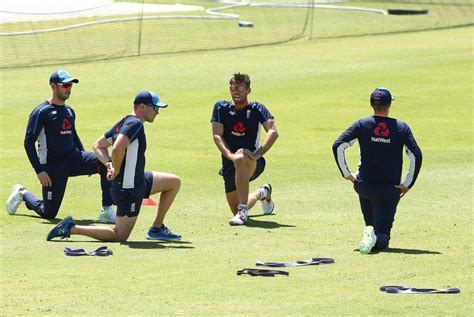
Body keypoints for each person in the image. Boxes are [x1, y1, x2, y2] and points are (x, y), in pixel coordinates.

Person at [47, 90, 182, 242]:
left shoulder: (124, 122)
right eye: (155, 108)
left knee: (174, 182)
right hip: (128, 189)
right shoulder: (135, 124)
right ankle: (71, 228)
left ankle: (157, 228)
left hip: (139, 180)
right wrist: (115, 169)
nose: (157, 113)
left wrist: (109, 164)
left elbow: (98, 145)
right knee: (120, 235)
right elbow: (117, 147)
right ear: (142, 107)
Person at [6, 69, 116, 223]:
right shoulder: (41, 112)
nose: (69, 88)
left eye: (70, 85)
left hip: (72, 158)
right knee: (48, 213)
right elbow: (28, 142)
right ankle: (22, 193)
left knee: (104, 160)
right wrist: (40, 170)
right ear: (53, 86)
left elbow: (73, 135)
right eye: (64, 85)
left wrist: (84, 157)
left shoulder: (69, 111)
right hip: (52, 166)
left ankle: (106, 210)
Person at [332, 87, 422, 254]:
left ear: (371, 104)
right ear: (389, 105)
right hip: (388, 190)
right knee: (383, 238)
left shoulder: (362, 124)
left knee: (371, 225)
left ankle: (370, 233)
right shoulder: (401, 128)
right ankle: (375, 237)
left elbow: (338, 145)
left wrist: (347, 174)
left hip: (363, 186)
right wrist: (408, 184)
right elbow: (416, 155)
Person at [211, 73, 279, 225]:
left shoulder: (257, 108)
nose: (236, 91)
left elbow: (273, 132)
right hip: (230, 163)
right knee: (234, 210)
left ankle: (243, 211)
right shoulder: (220, 108)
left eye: (240, 88)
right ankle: (263, 192)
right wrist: (230, 155)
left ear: (248, 90)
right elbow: (217, 135)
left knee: (241, 157)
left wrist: (256, 155)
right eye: (233, 87)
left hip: (251, 162)